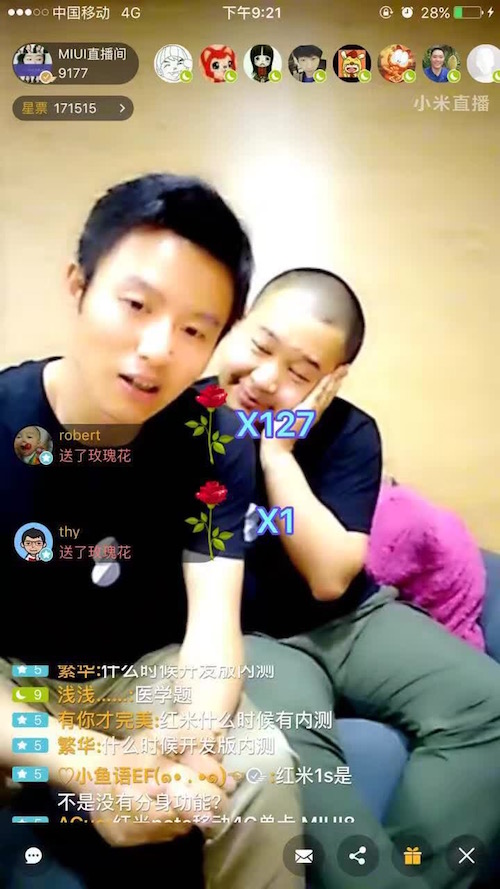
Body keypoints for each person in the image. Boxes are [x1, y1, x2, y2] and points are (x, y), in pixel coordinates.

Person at [0, 175, 303, 889]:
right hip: (13, 680)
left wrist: (191, 745)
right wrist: (90, 766)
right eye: (136, 305)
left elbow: (213, 628)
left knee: (258, 767)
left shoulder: (215, 438)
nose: (159, 348)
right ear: (78, 286)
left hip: (136, 677)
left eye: (195, 329)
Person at [205, 267, 500, 889]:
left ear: (331, 381)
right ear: (236, 326)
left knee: (489, 704)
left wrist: (277, 455)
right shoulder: (181, 418)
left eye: (300, 371)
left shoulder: (349, 432)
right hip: (249, 635)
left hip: (354, 622)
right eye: (261, 347)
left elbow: (329, 578)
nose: (266, 379)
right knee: (286, 750)